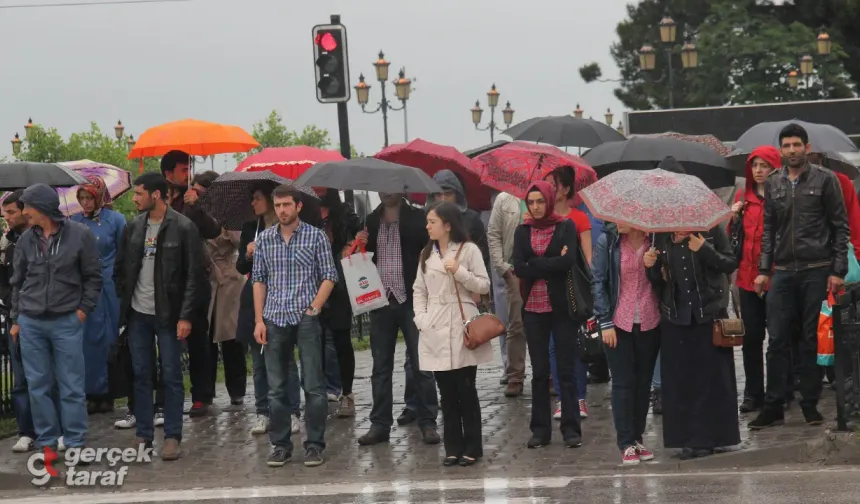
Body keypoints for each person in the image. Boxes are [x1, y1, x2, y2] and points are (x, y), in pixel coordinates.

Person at [750, 123, 850, 429]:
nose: (792, 150)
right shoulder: (774, 182)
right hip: (781, 271)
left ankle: (809, 403)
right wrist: (763, 270)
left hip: (816, 269)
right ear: (781, 150)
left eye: (797, 145)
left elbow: (840, 227)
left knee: (810, 340)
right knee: (777, 339)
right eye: (787, 145)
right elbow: (769, 230)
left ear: (806, 148)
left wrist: (838, 270)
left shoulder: (825, 179)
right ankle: (773, 405)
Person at [644, 156, 740, 461]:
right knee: (681, 380)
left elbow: (729, 262)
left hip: (708, 314)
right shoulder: (658, 231)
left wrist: (705, 248)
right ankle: (688, 438)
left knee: (711, 379)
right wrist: (649, 266)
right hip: (675, 316)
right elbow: (658, 279)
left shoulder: (709, 224)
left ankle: (714, 438)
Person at [114, 173, 204, 460]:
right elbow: (121, 268)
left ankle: (173, 437)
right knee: (141, 375)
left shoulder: (183, 227)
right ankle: (143, 434)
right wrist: (124, 301)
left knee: (172, 376)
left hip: (169, 314)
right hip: (138, 314)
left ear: (155, 194)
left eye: (139, 193)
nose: (134, 198)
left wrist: (186, 316)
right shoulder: (134, 227)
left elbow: (194, 276)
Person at [10, 183, 102, 453]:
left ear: (41, 207)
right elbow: (18, 281)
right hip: (31, 321)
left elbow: (93, 278)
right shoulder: (26, 239)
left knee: (71, 385)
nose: (23, 211)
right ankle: (47, 441)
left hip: (66, 320)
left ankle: (75, 442)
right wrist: (17, 319)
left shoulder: (80, 235)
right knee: (38, 385)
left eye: (27, 205)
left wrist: (82, 312)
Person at [253, 184, 338, 468]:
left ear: (298, 206)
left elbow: (329, 275)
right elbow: (259, 280)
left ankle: (314, 445)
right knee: (276, 388)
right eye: (277, 206)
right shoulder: (265, 239)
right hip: (274, 316)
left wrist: (314, 307)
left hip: (305, 316)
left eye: (287, 205)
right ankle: (280, 445)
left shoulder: (315, 237)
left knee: (313, 385)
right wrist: (258, 320)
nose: (282, 211)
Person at [355, 192, 440, 446]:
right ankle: (379, 424)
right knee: (380, 367)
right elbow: (360, 260)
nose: (386, 191)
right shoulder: (369, 221)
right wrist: (359, 243)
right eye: (381, 186)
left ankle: (428, 422)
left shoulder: (417, 218)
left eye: (391, 186)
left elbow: (433, 251)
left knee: (422, 363)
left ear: (401, 188)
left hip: (412, 299)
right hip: (380, 302)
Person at [413, 201, 491, 466]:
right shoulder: (426, 254)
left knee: (466, 389)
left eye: (432, 221)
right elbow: (419, 290)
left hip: (461, 323)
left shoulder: (468, 250)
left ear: (447, 225)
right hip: (434, 326)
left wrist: (459, 271)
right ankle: (452, 447)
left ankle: (473, 447)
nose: (427, 226)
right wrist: (421, 319)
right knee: (446, 392)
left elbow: (483, 285)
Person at [512, 181, 582, 449]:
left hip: (561, 308)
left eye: (541, 201)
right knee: (540, 371)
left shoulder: (565, 227)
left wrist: (536, 264)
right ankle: (540, 430)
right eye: (531, 202)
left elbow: (568, 261)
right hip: (533, 308)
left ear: (550, 200)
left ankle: (571, 428)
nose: (536, 206)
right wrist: (549, 263)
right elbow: (519, 267)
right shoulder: (522, 231)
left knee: (566, 369)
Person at [593, 221, 661, 465]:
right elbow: (598, 282)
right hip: (618, 321)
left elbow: (663, 282)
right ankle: (625, 442)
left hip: (650, 320)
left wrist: (654, 266)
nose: (617, 221)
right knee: (623, 384)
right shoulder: (608, 243)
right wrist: (605, 322)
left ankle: (637, 438)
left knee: (643, 385)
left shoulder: (654, 242)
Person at [236, 185, 300, 436]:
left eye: (257, 198)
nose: (254, 203)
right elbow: (241, 267)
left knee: (286, 360)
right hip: (255, 300)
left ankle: (293, 411)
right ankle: (263, 411)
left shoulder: (286, 230)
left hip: (283, 299)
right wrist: (248, 253)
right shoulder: (251, 228)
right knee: (259, 361)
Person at [161, 150, 220, 416]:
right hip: (165, 279)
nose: (187, 174)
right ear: (168, 173)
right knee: (165, 340)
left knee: (198, 338)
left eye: (188, 168)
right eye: (182, 170)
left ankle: (201, 395)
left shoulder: (195, 199)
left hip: (194, 277)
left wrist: (194, 206)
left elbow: (213, 230)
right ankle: (164, 395)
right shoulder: (158, 197)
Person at [189, 172, 248, 406]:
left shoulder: (229, 213)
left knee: (231, 338)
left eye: (200, 191)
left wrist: (225, 228)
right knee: (206, 338)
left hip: (229, 280)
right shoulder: (191, 213)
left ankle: (237, 390)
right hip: (206, 279)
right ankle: (207, 390)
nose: (195, 195)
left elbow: (240, 242)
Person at [729, 146, 780, 413]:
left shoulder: (782, 197)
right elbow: (732, 238)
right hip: (747, 279)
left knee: (778, 338)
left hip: (775, 278)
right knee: (751, 338)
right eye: (755, 165)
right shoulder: (743, 197)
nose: (758, 171)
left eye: (764, 166)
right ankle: (753, 393)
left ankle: (777, 392)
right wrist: (733, 216)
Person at [71, 175, 127, 415]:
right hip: (85, 286)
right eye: (81, 198)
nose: (85, 203)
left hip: (110, 285)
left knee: (111, 337)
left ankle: (110, 393)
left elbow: (125, 253)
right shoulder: (73, 222)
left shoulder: (116, 220)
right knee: (87, 340)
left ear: (99, 196)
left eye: (89, 197)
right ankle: (91, 392)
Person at [544, 166, 591, 420]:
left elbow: (588, 259)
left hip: (574, 289)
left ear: (565, 188)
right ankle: (562, 398)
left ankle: (579, 397)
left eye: (553, 184)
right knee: (553, 347)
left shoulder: (579, 219)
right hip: (549, 289)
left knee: (576, 345)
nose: (549, 188)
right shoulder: (542, 217)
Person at [318, 188, 361, 417]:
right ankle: (320, 391)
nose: (317, 190)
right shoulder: (306, 213)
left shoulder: (344, 212)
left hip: (339, 284)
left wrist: (350, 242)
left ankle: (347, 393)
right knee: (315, 340)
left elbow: (361, 232)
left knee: (341, 339)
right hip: (314, 282)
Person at [2, 190, 38, 452]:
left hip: (40, 314)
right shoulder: (7, 244)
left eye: (12, 212)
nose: (8, 217)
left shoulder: (41, 240)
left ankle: (55, 428)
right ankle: (26, 430)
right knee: (21, 379)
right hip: (15, 316)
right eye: (5, 213)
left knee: (48, 376)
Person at [487, 191, 528, 397]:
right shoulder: (504, 198)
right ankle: (515, 376)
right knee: (515, 324)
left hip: (540, 267)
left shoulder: (543, 193)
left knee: (542, 324)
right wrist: (501, 266)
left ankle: (546, 375)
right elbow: (493, 233)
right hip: (513, 269)